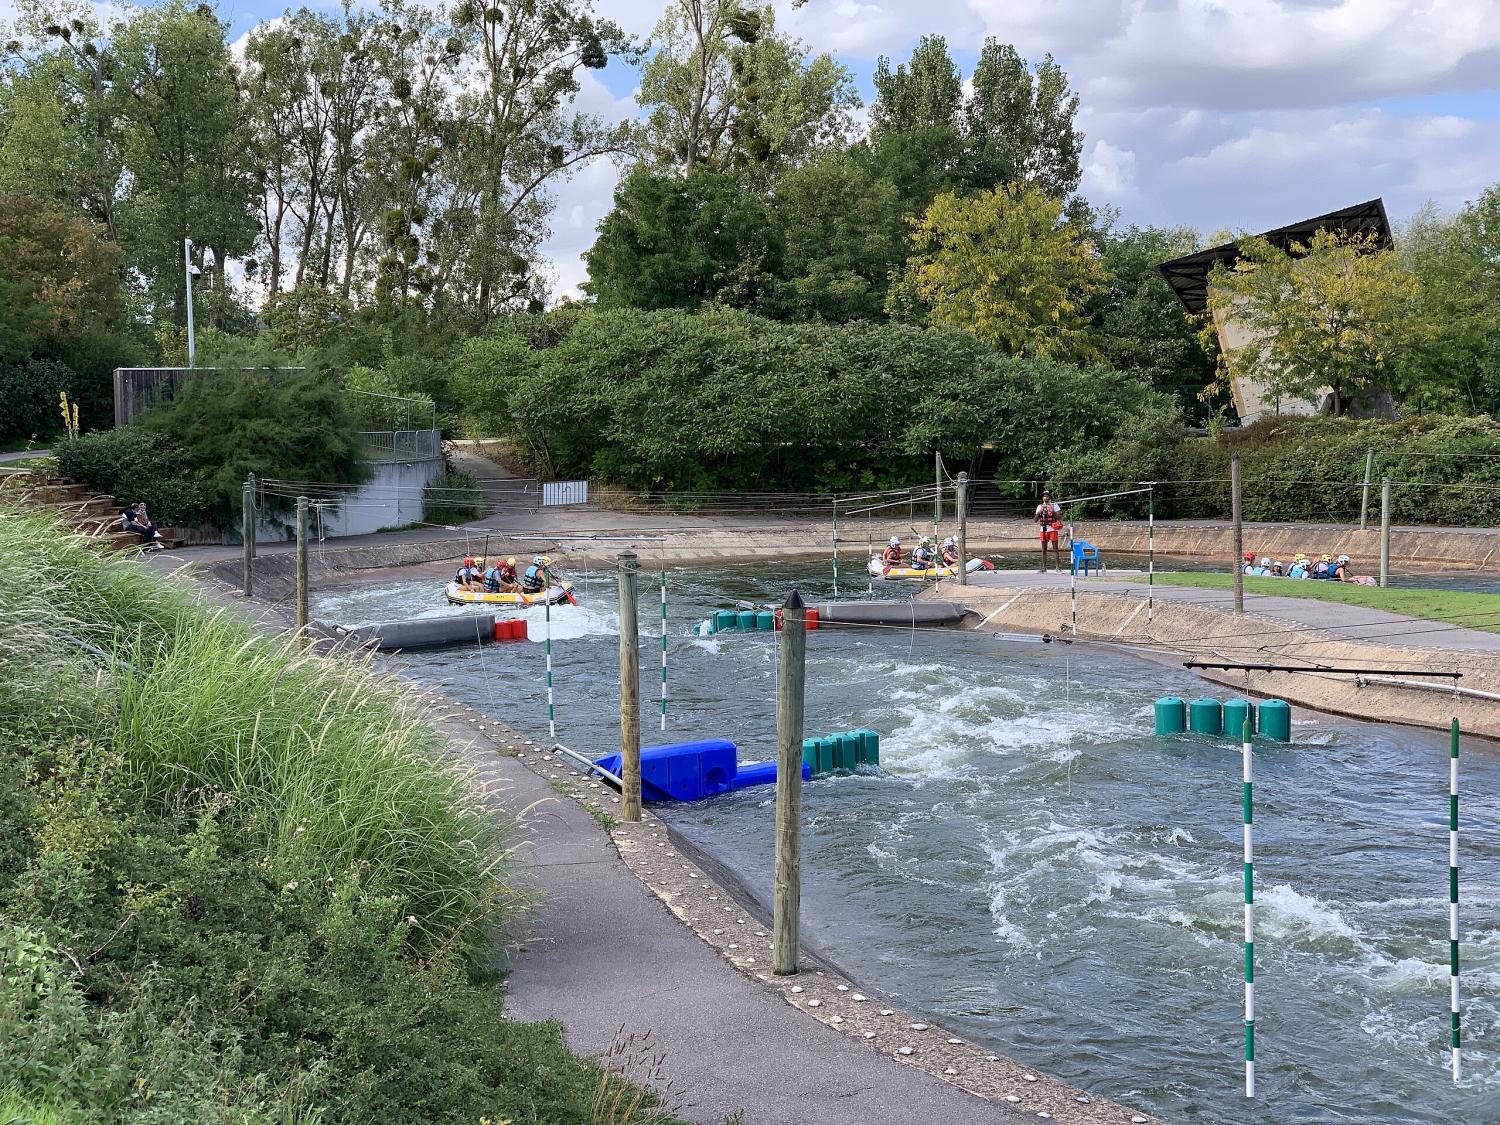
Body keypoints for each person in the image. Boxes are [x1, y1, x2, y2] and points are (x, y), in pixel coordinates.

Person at [1035, 491, 1063, 573]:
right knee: (1044, 550)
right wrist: (1039, 512)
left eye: (1047, 496)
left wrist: (1052, 511)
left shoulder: (1055, 505)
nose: (1046, 497)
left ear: (1049, 497)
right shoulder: (1039, 506)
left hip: (1052, 529)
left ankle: (1057, 567)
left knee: (1055, 549)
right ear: (1042, 498)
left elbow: (1059, 517)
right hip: (1043, 529)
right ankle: (1044, 568)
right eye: (1044, 496)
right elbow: (1035, 520)